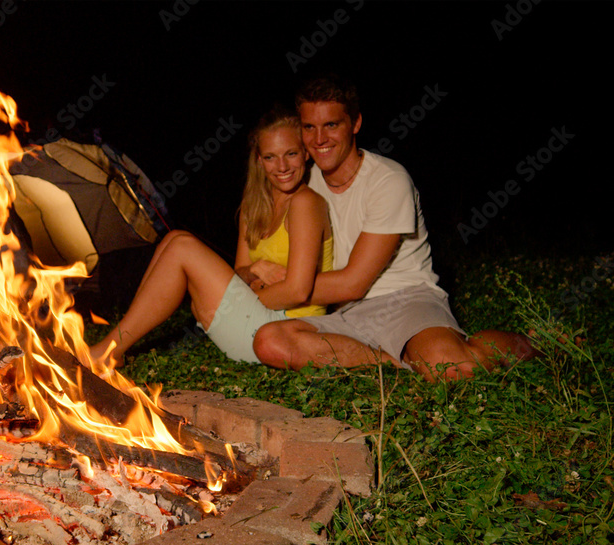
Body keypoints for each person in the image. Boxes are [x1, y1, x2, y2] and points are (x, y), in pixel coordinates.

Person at [252, 75, 537, 381]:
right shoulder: (304, 183)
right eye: (309, 127)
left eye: (331, 125)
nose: (319, 139)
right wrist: (256, 274)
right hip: (346, 314)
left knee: (455, 368)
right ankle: (392, 365)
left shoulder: (389, 180)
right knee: (270, 341)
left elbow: (353, 284)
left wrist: (279, 289)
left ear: (356, 123)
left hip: (407, 301)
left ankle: (533, 341)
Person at [89, 106, 333, 367]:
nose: (282, 166)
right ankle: (116, 344)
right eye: (271, 157)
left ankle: (108, 351)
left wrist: (236, 300)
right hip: (255, 318)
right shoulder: (253, 207)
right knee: (173, 239)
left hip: (281, 330)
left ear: (306, 154)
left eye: (291, 154)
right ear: (259, 161)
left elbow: (297, 290)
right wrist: (256, 270)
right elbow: (240, 271)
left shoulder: (306, 202)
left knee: (182, 245)